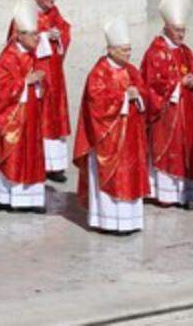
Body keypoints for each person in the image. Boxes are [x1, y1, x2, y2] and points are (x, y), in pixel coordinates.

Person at [72, 17, 149, 235]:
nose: (128, 54)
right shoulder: (98, 73)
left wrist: (138, 96)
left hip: (131, 138)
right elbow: (96, 103)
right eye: (124, 50)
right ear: (111, 50)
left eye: (129, 49)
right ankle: (106, 220)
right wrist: (124, 97)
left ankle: (129, 220)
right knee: (111, 178)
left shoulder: (132, 71)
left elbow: (144, 93)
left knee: (130, 176)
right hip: (108, 139)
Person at [0, 0, 48, 212]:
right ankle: (4, 197)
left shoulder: (31, 54)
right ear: (19, 35)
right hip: (12, 119)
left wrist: (40, 82)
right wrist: (25, 82)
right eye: (34, 35)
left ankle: (30, 198)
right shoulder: (7, 58)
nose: (38, 38)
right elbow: (1, 90)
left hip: (30, 115)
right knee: (12, 154)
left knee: (31, 154)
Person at [141, 0, 193, 208]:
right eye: (178, 30)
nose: (181, 34)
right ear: (167, 28)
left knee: (186, 150)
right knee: (168, 151)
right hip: (166, 116)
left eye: (183, 30)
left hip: (186, 113)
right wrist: (179, 84)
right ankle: (166, 193)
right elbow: (151, 83)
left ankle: (185, 194)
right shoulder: (155, 52)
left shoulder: (185, 51)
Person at [8, 0, 71, 183]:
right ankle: (41, 162)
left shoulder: (53, 10)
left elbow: (65, 28)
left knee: (54, 116)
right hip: (35, 71)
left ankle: (55, 165)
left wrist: (59, 35)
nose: (53, 1)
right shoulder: (24, 12)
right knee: (40, 116)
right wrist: (45, 37)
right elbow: (15, 42)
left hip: (53, 71)